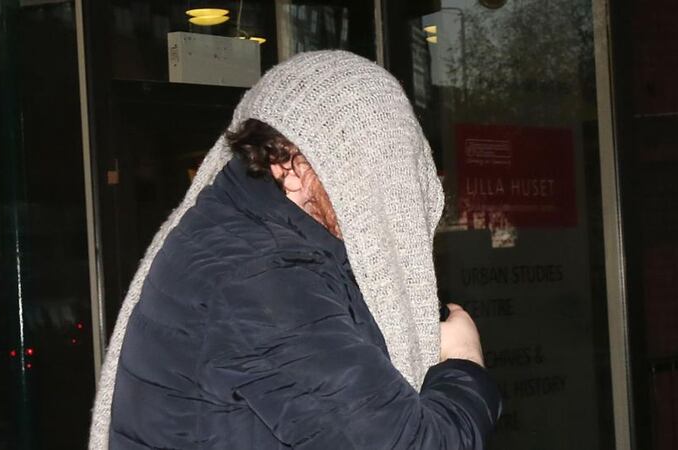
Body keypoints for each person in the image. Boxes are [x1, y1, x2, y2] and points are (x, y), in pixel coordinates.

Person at [89, 50, 501, 449]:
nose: (384, 202)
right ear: (292, 165)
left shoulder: (243, 236)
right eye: (370, 175)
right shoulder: (263, 277)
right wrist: (463, 360)